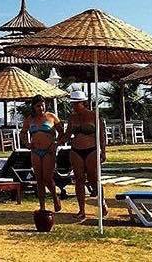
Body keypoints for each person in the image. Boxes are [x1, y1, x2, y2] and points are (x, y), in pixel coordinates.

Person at [60, 90, 107, 222]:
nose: (74, 106)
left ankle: (102, 202)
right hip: (76, 150)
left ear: (83, 103)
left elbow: (101, 135)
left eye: (77, 103)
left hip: (91, 149)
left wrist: (103, 151)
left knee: (93, 178)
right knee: (79, 179)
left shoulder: (94, 116)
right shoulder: (72, 117)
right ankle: (81, 210)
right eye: (73, 103)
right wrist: (56, 141)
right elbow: (68, 134)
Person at [20, 94, 63, 213]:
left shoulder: (51, 117)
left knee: (47, 178)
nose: (41, 108)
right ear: (33, 107)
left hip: (48, 151)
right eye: (38, 106)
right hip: (35, 151)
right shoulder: (30, 119)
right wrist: (27, 144)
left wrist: (56, 144)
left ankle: (55, 197)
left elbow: (61, 132)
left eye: (43, 105)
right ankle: (42, 206)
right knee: (39, 179)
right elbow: (23, 133)